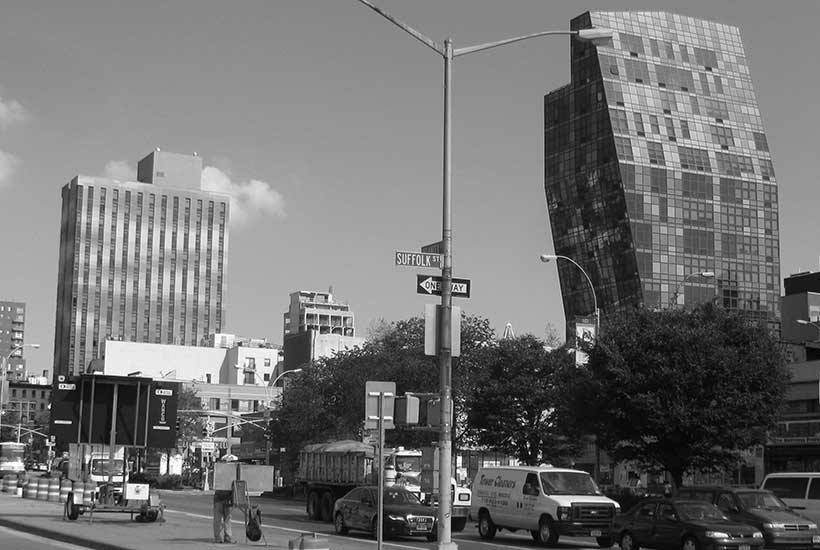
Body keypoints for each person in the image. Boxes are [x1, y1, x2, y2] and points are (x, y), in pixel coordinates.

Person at [213, 455, 237, 544]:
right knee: (219, 519)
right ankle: (219, 537)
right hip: (220, 498)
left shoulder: (230, 473)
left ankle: (227, 537)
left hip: (226, 498)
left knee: (226, 519)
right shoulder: (221, 472)